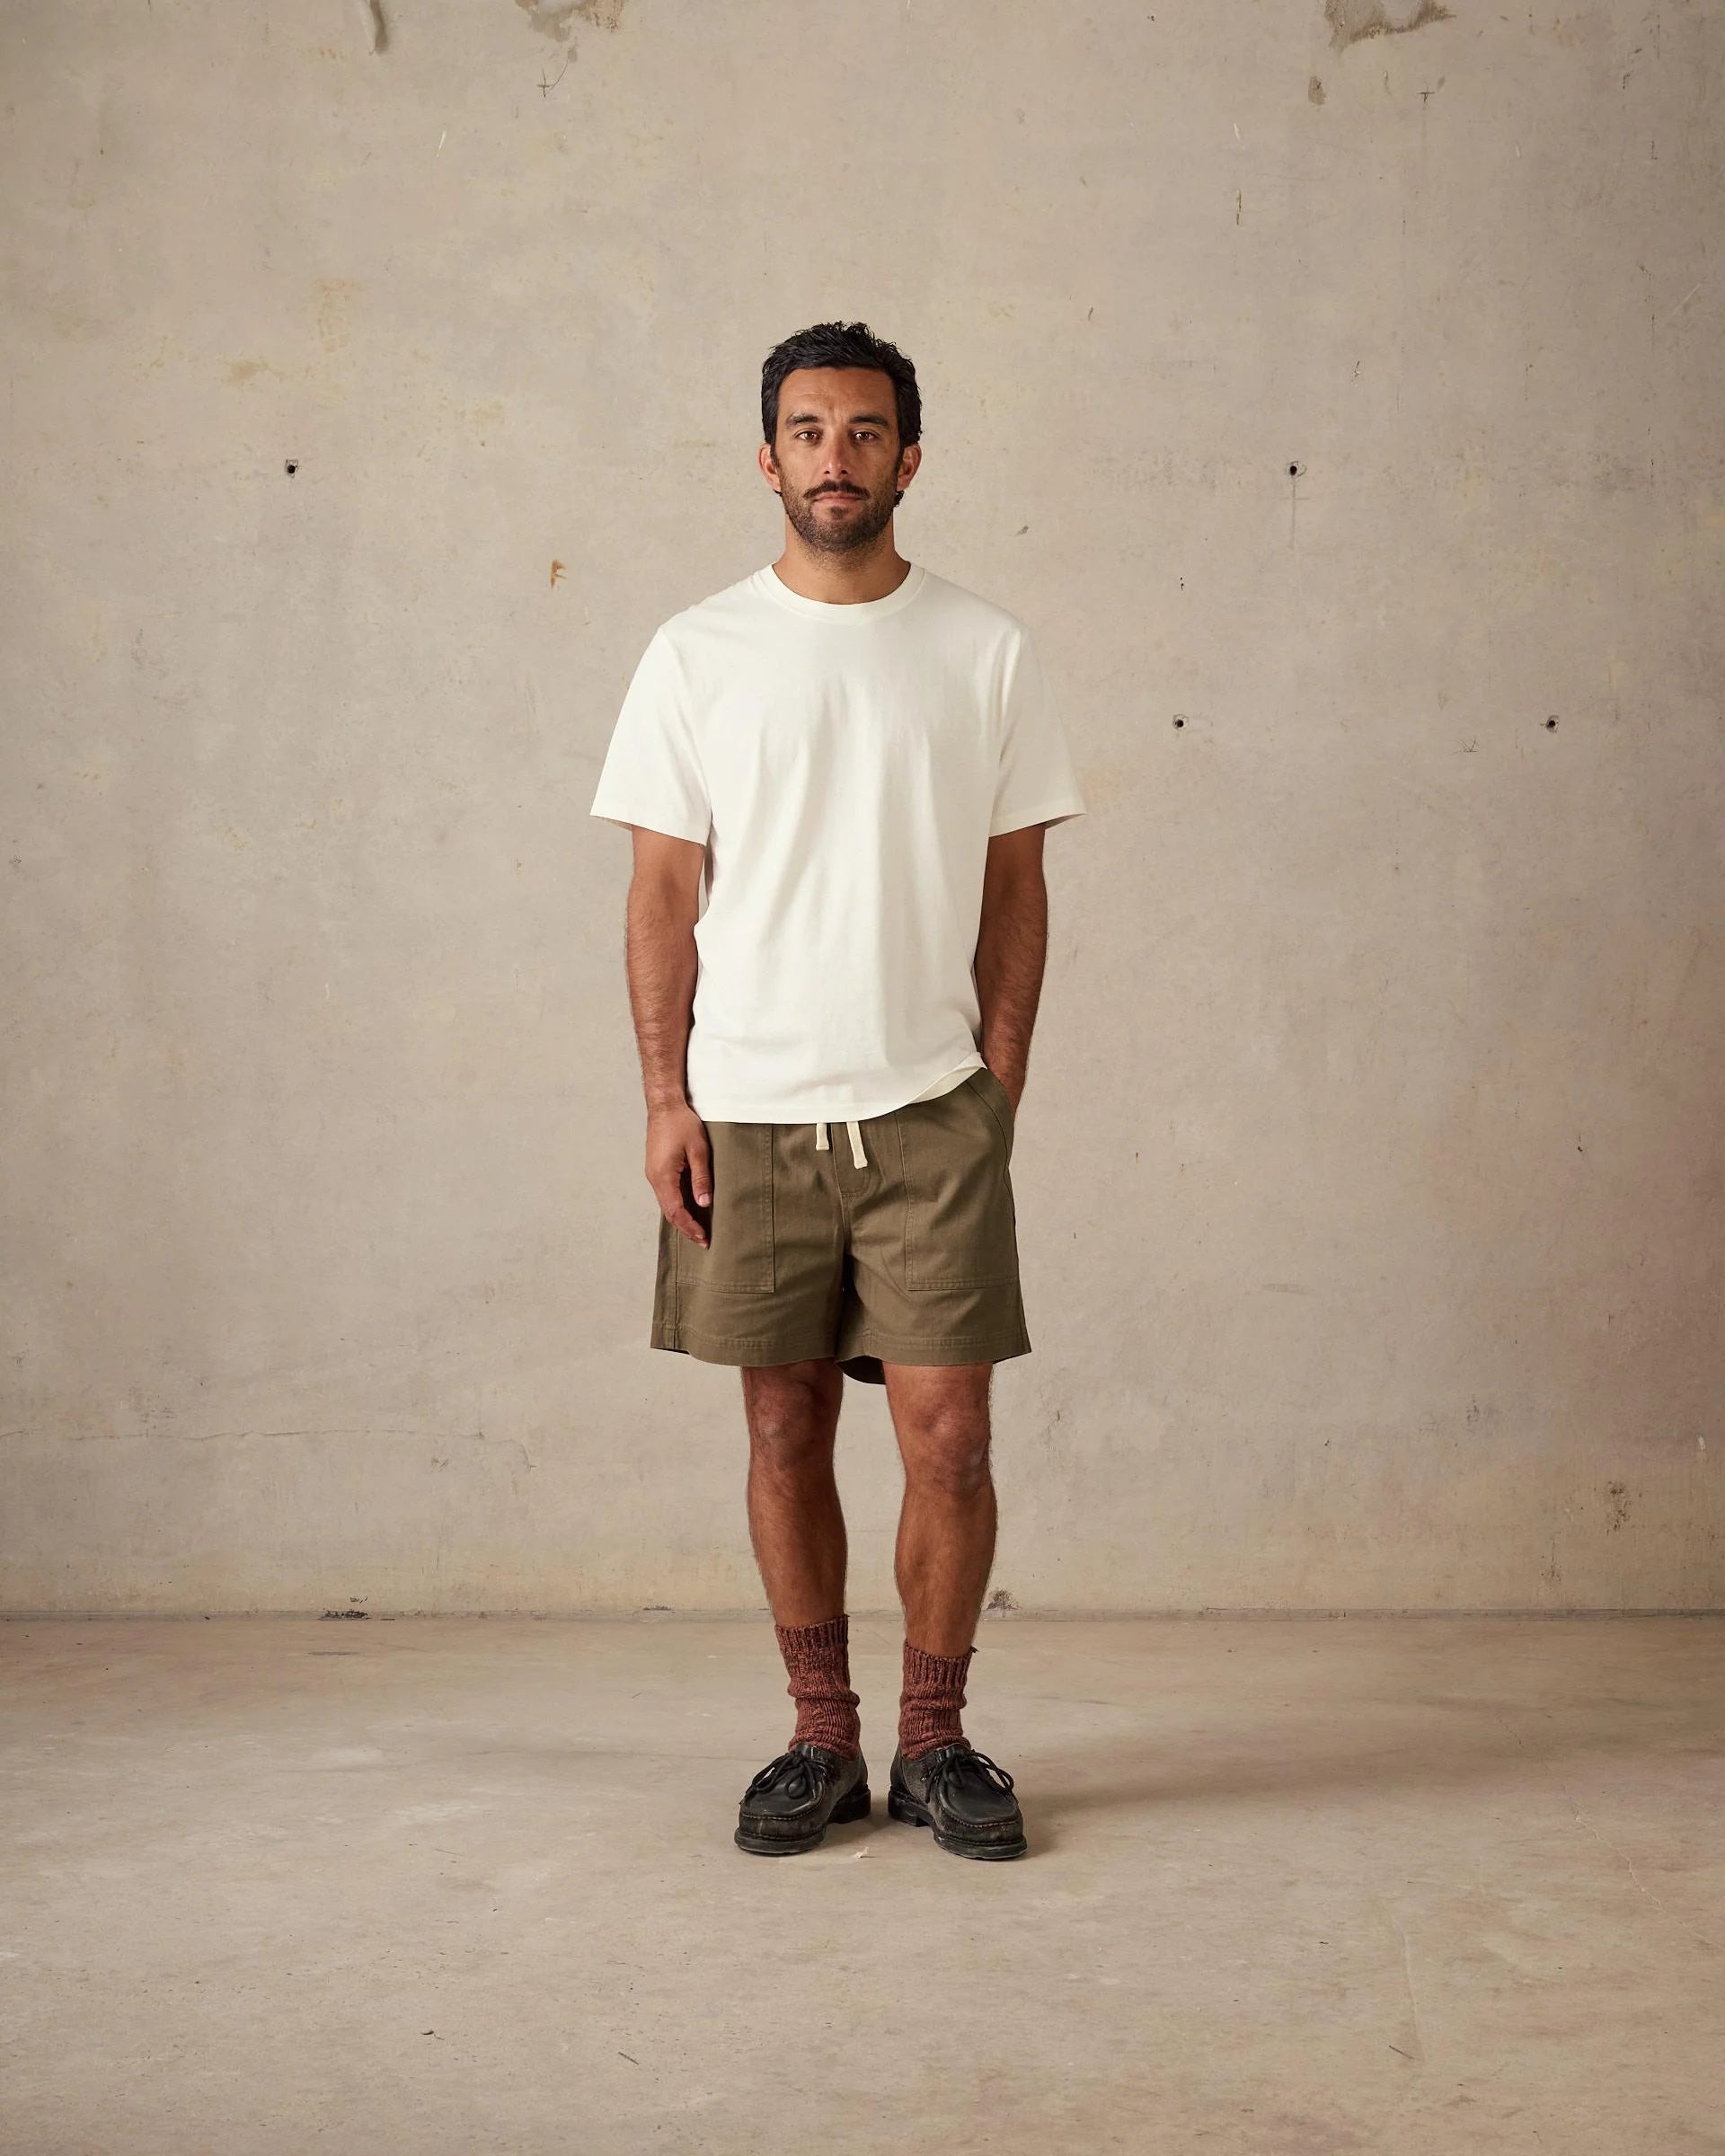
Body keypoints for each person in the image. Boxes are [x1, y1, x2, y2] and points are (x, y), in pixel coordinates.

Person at [588, 320, 1085, 1862]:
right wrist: (665, 1096)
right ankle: (822, 1739)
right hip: (746, 1111)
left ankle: (934, 1743)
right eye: (807, 431)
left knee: (950, 1436)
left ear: (909, 458)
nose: (836, 458)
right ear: (767, 458)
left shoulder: (985, 648)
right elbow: (660, 893)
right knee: (783, 1425)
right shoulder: (696, 652)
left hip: (931, 1107)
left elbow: (1018, 889)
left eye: (865, 432)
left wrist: (997, 1091)